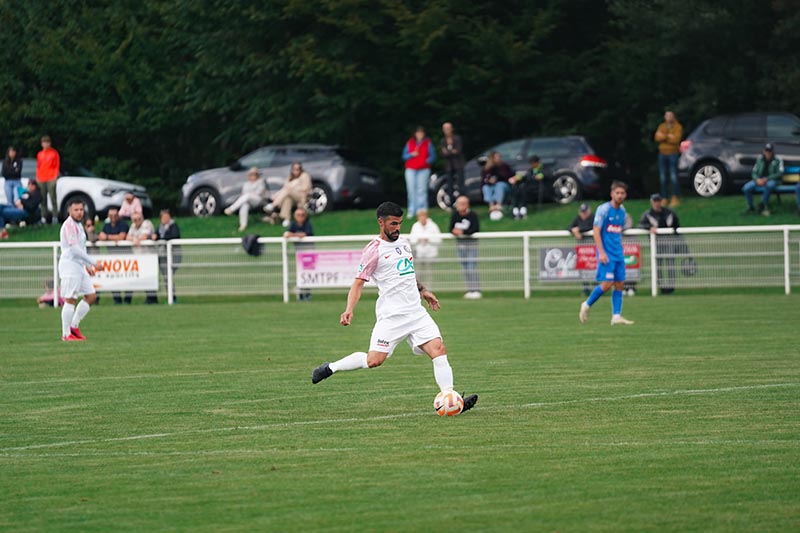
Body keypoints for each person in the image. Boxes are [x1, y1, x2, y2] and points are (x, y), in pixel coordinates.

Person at [309, 201, 478, 414]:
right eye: (393, 224)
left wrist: (423, 290)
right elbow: (358, 283)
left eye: (399, 223)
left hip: (416, 313)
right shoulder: (374, 250)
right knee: (374, 360)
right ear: (381, 222)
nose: (397, 228)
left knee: (438, 350)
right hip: (392, 317)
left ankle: (450, 398)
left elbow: (407, 273)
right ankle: (330, 368)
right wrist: (349, 309)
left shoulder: (404, 243)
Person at [579, 181, 634, 326]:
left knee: (620, 284)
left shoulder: (622, 211)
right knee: (607, 283)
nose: (620, 195)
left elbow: (617, 232)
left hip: (618, 253)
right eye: (617, 193)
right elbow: (596, 231)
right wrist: (601, 252)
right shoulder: (603, 210)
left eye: (622, 193)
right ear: (612, 194)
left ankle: (616, 316)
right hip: (606, 254)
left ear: (625, 195)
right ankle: (587, 304)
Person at [58, 199, 105, 341]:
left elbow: (81, 248)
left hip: (79, 266)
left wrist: (87, 266)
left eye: (81, 209)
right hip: (70, 266)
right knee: (70, 299)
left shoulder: (78, 225)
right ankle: (66, 334)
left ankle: (74, 326)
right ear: (69, 211)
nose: (79, 212)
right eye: (76, 210)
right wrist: (93, 263)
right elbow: (74, 249)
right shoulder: (69, 225)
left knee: (91, 296)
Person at [639, 193, 680, 294]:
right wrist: (649, 228)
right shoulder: (648, 214)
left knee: (670, 263)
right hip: (656, 243)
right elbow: (641, 225)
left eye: (658, 201)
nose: (657, 203)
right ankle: (661, 286)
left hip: (669, 242)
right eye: (655, 201)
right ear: (652, 202)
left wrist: (676, 236)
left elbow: (677, 225)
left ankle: (671, 286)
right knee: (658, 265)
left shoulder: (669, 212)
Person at [449, 195, 481, 299]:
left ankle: (476, 290)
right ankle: (469, 289)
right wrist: (455, 232)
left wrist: (463, 232)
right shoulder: (455, 215)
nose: (460, 206)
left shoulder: (472, 215)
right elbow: (451, 228)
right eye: (459, 204)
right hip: (460, 245)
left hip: (471, 244)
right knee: (465, 267)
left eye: (462, 204)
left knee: (471, 266)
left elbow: (475, 228)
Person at [98, 208, 131, 304]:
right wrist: (113, 238)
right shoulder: (106, 226)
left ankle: (127, 300)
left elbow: (121, 236)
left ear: (118, 215)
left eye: (115, 215)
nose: (113, 217)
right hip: (112, 257)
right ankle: (117, 300)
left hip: (125, 256)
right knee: (113, 278)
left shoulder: (123, 224)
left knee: (127, 278)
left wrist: (108, 237)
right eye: (111, 215)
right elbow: (101, 236)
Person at [402, 126, 435, 218]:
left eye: (421, 133)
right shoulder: (410, 143)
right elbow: (404, 156)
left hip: (423, 170)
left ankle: (422, 210)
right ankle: (412, 210)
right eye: (418, 133)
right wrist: (411, 154)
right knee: (411, 190)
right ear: (415, 134)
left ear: (424, 134)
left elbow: (432, 156)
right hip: (411, 169)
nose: (420, 134)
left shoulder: (428, 143)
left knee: (422, 190)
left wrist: (425, 162)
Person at [265, 162, 311, 228]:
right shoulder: (290, 177)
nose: (296, 171)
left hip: (301, 196)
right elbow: (284, 188)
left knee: (288, 190)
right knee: (287, 199)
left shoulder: (304, 175)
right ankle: (286, 219)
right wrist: (277, 194)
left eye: (298, 169)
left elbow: (306, 188)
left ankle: (273, 205)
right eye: (294, 169)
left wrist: (294, 189)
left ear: (300, 169)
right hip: (291, 196)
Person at [283, 206, 314, 301]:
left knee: (308, 273)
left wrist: (292, 235)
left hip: (308, 253)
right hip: (299, 254)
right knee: (299, 273)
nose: (300, 217)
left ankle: (307, 293)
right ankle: (300, 294)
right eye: (298, 215)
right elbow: (287, 233)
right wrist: (289, 234)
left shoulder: (308, 224)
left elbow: (305, 234)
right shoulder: (293, 224)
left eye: (302, 215)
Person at [743, 143, 782, 216]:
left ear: (772, 151)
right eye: (766, 151)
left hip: (772, 179)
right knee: (746, 188)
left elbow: (779, 173)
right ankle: (751, 207)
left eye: (769, 151)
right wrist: (757, 179)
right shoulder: (759, 159)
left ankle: (763, 205)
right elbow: (754, 172)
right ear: (764, 151)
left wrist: (767, 178)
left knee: (769, 185)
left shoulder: (778, 159)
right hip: (759, 179)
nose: (768, 153)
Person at [151, 209, 181, 303]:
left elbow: (174, 236)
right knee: (166, 277)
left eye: (167, 217)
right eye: (163, 217)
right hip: (163, 256)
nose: (165, 219)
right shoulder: (160, 227)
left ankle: (173, 298)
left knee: (168, 275)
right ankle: (171, 297)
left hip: (173, 255)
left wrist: (160, 238)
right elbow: (155, 236)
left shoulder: (173, 226)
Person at [654, 110, 683, 207]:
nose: (668, 117)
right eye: (666, 116)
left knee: (673, 176)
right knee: (663, 177)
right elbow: (657, 138)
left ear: (673, 117)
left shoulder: (678, 127)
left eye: (670, 115)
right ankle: (664, 198)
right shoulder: (661, 126)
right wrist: (668, 136)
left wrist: (663, 136)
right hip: (662, 154)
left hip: (673, 154)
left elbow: (676, 139)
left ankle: (675, 197)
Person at [224, 167, 266, 231]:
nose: (253, 175)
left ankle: (231, 209)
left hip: (259, 200)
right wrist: (249, 194)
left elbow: (259, 192)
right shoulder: (246, 184)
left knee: (247, 195)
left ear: (257, 175)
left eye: (254, 174)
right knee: (244, 205)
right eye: (251, 174)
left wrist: (250, 194)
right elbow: (243, 194)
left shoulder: (260, 182)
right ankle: (243, 225)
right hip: (248, 200)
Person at [127, 212, 157, 304]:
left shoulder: (147, 223)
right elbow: (128, 237)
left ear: (142, 218)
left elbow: (145, 236)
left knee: (150, 278)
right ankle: (148, 298)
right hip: (138, 257)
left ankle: (152, 299)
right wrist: (134, 239)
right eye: (134, 220)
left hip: (149, 256)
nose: (136, 221)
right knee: (141, 277)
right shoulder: (133, 226)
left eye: (138, 219)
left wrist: (136, 239)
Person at [408, 209, 442, 286]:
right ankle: (418, 289)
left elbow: (439, 239)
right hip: (419, 253)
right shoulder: (415, 226)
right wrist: (418, 239)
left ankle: (428, 289)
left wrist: (429, 239)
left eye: (423, 216)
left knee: (428, 273)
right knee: (418, 272)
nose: (422, 218)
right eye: (420, 216)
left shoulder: (433, 226)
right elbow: (412, 239)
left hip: (430, 254)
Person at [567, 202, 594, 296]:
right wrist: (574, 231)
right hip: (582, 249)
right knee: (583, 268)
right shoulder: (578, 218)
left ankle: (596, 288)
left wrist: (579, 230)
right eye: (582, 212)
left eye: (585, 212)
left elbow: (591, 227)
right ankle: (586, 289)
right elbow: (569, 226)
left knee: (594, 267)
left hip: (593, 248)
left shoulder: (593, 218)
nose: (584, 214)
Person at [36, 135, 60, 224]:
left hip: (51, 178)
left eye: (47, 142)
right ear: (41, 144)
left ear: (50, 143)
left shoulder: (54, 153)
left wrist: (55, 177)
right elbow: (38, 166)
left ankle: (55, 217)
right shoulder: (40, 154)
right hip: (41, 178)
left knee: (53, 198)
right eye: (44, 142)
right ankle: (43, 218)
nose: (45, 144)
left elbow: (57, 165)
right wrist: (37, 177)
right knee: (43, 199)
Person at [481, 151, 514, 217]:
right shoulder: (486, 169)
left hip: (504, 185)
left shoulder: (504, 166)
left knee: (499, 185)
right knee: (486, 187)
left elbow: (509, 176)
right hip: (491, 186)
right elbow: (484, 180)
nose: (498, 158)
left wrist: (498, 177)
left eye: (499, 157)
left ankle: (499, 204)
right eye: (496, 157)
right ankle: (491, 205)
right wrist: (489, 181)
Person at [439, 122, 465, 203]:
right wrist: (452, 151)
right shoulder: (443, 140)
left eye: (448, 128)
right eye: (445, 129)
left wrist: (448, 152)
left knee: (460, 184)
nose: (447, 130)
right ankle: (451, 203)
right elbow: (443, 153)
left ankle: (462, 202)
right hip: (449, 166)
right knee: (449, 185)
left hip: (458, 165)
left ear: (452, 129)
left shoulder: (457, 138)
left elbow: (458, 150)